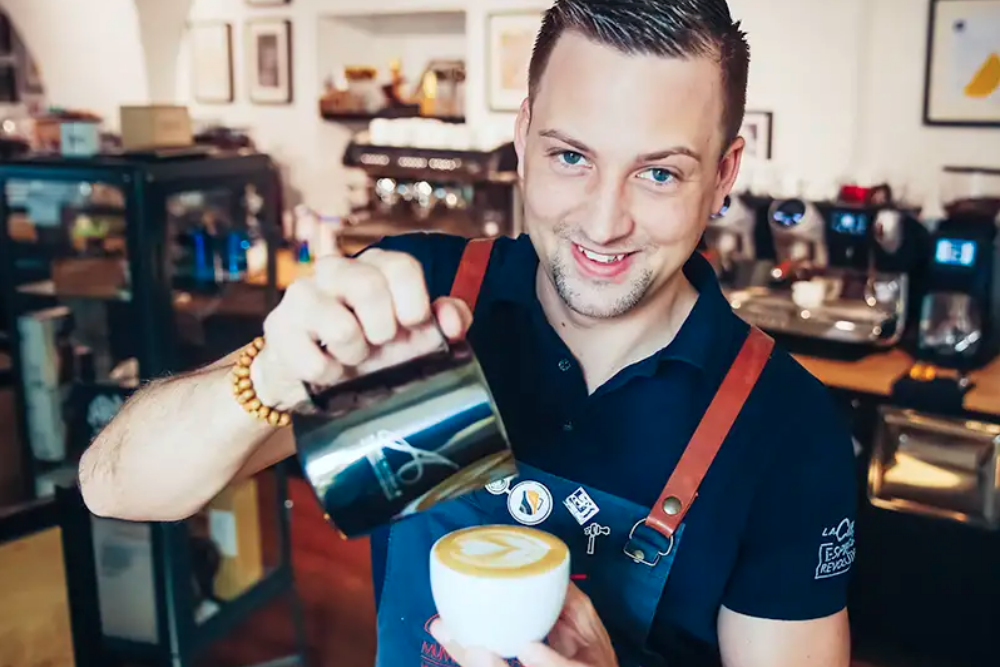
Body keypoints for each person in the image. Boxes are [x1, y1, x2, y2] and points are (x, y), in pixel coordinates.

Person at [78, 1, 857, 665]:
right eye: (571, 156)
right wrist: (272, 375)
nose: (603, 221)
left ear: (723, 175)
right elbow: (114, 485)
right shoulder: (420, 300)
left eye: (659, 173)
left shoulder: (787, 428)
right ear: (522, 135)